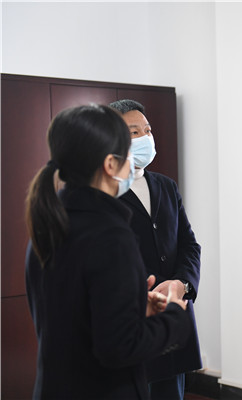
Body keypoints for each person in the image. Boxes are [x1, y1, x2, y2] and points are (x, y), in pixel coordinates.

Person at [25, 104, 191, 399]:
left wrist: (131, 305)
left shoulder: (49, 222)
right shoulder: (110, 234)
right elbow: (119, 348)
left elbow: (76, 314)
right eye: (127, 151)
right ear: (110, 164)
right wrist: (174, 317)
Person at [109, 99, 202, 400]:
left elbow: (188, 243)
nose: (144, 138)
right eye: (133, 132)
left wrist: (182, 283)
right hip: (133, 320)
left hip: (174, 314)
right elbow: (109, 260)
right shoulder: (104, 192)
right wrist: (153, 290)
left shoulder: (166, 185)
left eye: (147, 130)